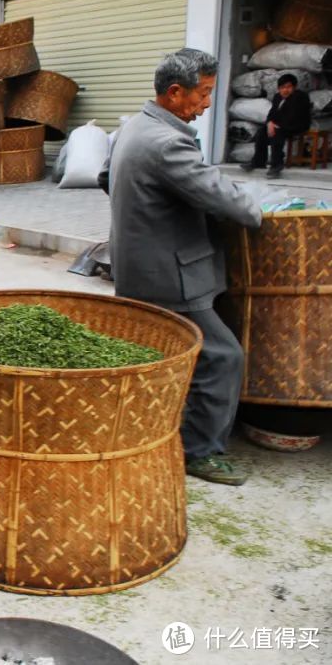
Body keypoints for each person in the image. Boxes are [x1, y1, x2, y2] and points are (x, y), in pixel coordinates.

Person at [100, 48, 262, 486]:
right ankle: (201, 452)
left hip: (139, 264)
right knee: (222, 356)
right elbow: (228, 201)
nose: (207, 104)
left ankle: (166, 425)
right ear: (175, 93)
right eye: (204, 94)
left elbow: (103, 177)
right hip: (172, 275)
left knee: (164, 355)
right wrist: (258, 207)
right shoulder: (167, 143)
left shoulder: (132, 128)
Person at [242, 73, 312, 179]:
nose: (285, 90)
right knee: (262, 132)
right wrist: (270, 123)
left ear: (294, 87)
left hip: (297, 125)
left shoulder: (300, 97)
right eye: (282, 88)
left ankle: (276, 165)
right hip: (280, 126)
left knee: (277, 133)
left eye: (288, 87)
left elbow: (294, 116)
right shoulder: (277, 97)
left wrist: (277, 126)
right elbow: (271, 114)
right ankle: (258, 161)